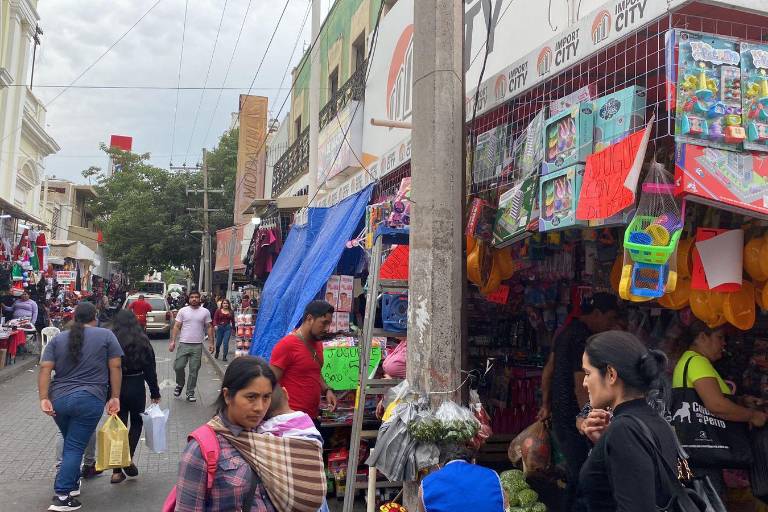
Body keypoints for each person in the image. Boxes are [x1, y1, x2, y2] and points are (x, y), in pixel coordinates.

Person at [537, 292, 620, 512]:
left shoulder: (564, 332)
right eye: (610, 319)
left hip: (562, 414)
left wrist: (546, 405)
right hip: (575, 418)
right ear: (597, 313)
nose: (611, 325)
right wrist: (588, 416)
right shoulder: (582, 339)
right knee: (581, 474)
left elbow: (548, 370)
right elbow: (581, 384)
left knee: (572, 472)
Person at [579, 331, 678, 511]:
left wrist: (613, 438)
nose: (585, 383)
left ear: (611, 374)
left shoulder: (624, 430)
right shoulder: (657, 422)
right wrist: (604, 444)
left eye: (587, 373)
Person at [38, 302, 122, 512]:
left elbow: (45, 369)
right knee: (75, 447)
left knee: (70, 443)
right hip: (89, 399)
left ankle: (73, 485)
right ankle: (62, 496)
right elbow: (116, 366)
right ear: (95, 315)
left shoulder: (58, 338)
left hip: (59, 398)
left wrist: (43, 398)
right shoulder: (106, 335)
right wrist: (115, 396)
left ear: (75, 317)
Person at [671, 320, 767, 494]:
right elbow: (716, 405)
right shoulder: (697, 362)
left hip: (696, 454)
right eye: (720, 337)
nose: (724, 343)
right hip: (702, 455)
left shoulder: (689, 360)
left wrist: (741, 401)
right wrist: (752, 415)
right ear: (702, 337)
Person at [110, 310, 161, 484]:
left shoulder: (112, 340)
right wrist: (155, 391)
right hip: (137, 383)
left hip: (116, 386)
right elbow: (150, 369)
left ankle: (116, 471)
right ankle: (128, 458)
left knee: (119, 425)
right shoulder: (142, 340)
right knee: (137, 422)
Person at [269, 300, 338, 421]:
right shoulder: (286, 345)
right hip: (291, 419)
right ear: (309, 318)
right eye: (324, 323)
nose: (327, 328)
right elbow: (270, 382)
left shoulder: (317, 344)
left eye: (329, 324)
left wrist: (327, 390)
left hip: (311, 418)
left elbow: (314, 371)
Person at [418, 444, 506, 512]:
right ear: (473, 461)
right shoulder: (492, 475)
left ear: (440, 465)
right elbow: (504, 506)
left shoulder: (427, 483)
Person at [169, 290, 213, 402]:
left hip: (197, 345)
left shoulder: (205, 312)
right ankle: (180, 384)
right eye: (192, 297)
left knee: (194, 370)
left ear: (200, 299)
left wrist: (211, 343)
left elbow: (209, 327)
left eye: (196, 297)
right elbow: (177, 326)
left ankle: (190, 392)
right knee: (178, 366)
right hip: (184, 344)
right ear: (189, 299)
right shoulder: (183, 311)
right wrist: (173, 341)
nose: (194, 299)